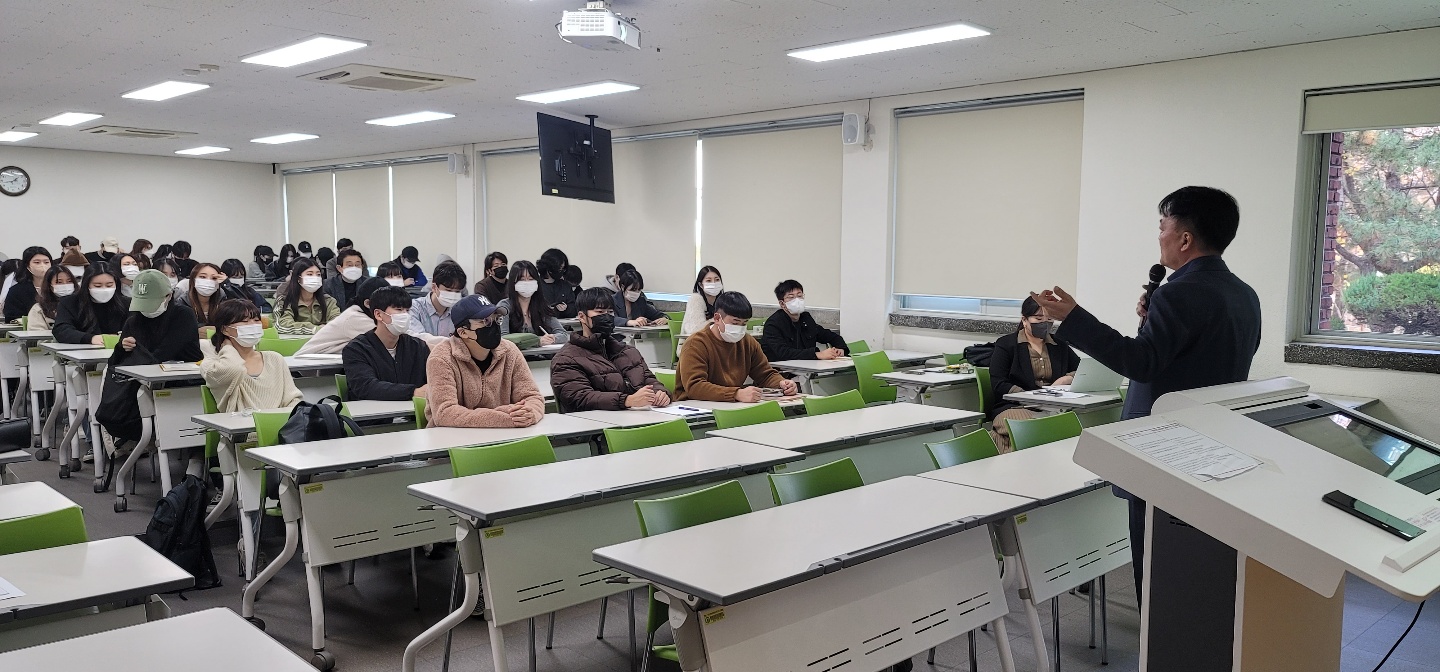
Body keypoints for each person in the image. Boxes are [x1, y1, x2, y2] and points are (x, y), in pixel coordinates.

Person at [1031, 185, 1262, 601]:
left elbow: (1141, 363)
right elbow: (1195, 359)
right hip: (1214, 447)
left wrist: (1074, 318)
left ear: (1184, 239)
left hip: (1163, 451)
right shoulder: (1243, 294)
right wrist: (1153, 322)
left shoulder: (1179, 292)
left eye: (1162, 227)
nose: (1159, 236)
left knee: (1158, 575)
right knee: (1196, 572)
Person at [424, 295, 544, 428]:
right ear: (463, 332)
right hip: (454, 437)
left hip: (504, 435)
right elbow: (444, 413)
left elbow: (532, 397)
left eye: (497, 319)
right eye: (486, 321)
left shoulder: (510, 351)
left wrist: (530, 413)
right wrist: (506, 417)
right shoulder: (442, 358)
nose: (494, 326)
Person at [551, 287, 670, 412]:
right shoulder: (566, 359)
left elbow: (649, 380)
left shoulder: (628, 352)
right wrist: (626, 401)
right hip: (598, 421)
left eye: (610, 312)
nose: (606, 317)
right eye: (600, 312)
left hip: (639, 417)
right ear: (581, 316)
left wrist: (660, 392)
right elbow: (580, 397)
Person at [987, 297, 1081, 451]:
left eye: (1049, 319)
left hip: (1053, 405)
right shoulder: (1006, 344)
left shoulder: (1059, 344)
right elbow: (998, 383)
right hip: (1015, 407)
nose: (1045, 323)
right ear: (1024, 320)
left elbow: (1080, 369)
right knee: (1035, 429)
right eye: (1038, 319)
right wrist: (1029, 397)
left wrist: (1066, 379)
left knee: (1076, 424)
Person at [675, 291, 797, 402]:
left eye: (744, 323)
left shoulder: (748, 342)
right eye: (735, 323)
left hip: (729, 404)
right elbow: (695, 386)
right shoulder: (696, 344)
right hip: (693, 406)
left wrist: (781, 383)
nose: (740, 328)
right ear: (717, 318)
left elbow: (765, 375)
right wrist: (736, 394)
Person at [201, 299, 303, 413]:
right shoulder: (212, 365)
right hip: (239, 423)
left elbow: (293, 399)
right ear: (225, 329)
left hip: (280, 422)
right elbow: (234, 369)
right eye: (245, 321)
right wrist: (227, 347)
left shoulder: (275, 359)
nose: (253, 325)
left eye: (256, 320)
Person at [342, 286, 431, 401]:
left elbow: (433, 380)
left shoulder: (418, 347)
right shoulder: (356, 349)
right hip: (373, 411)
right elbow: (366, 387)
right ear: (378, 314)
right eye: (399, 309)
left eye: (407, 310)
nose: (405, 315)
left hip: (413, 410)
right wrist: (413, 392)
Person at [120, 269, 204, 363]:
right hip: (144, 369)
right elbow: (118, 359)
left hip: (185, 369)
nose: (146, 309)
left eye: (151, 303)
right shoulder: (133, 320)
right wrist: (124, 346)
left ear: (168, 296)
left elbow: (165, 352)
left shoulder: (183, 316)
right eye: (142, 304)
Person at [296, 277, 390, 356]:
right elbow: (388, 338)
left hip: (326, 364)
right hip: (306, 366)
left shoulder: (361, 313)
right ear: (368, 303)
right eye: (388, 303)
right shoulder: (355, 318)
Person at [760, 279, 848, 362]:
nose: (797, 300)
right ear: (782, 304)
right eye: (791, 297)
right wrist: (816, 354)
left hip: (806, 367)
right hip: (780, 369)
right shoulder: (773, 324)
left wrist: (840, 348)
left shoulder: (805, 318)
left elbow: (828, 335)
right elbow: (783, 353)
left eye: (799, 296)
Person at [497, 261, 568, 345]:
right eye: (522, 279)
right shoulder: (504, 307)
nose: (527, 283)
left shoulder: (541, 305)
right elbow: (503, 339)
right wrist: (536, 341)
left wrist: (553, 338)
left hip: (541, 353)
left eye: (531, 279)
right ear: (513, 283)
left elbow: (563, 334)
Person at [53, 267, 128, 345]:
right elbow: (61, 330)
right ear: (87, 285)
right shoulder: (69, 302)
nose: (104, 289)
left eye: (109, 285)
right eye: (97, 286)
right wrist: (89, 338)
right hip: (81, 349)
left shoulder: (126, 303)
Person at [274, 258, 340, 335]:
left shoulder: (328, 300)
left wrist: (328, 328)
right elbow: (282, 325)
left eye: (318, 275)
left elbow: (338, 322)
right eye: (309, 274)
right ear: (298, 278)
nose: (315, 278)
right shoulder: (284, 301)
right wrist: (314, 329)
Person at [410, 261, 466, 343]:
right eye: (448, 290)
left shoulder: (460, 312)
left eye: (457, 291)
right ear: (434, 287)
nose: (453, 295)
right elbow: (418, 340)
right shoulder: (414, 308)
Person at [176, 262, 230, 336]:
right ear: (193, 280)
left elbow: (240, 310)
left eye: (214, 278)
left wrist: (227, 284)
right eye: (202, 277)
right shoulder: (182, 302)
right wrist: (195, 332)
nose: (208, 281)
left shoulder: (223, 299)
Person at [4, 246, 52, 322]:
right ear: (27, 265)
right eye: (37, 262)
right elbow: (11, 317)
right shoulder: (17, 291)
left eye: (46, 262)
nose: (43, 265)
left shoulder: (57, 287)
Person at [681, 266, 724, 337]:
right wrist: (718, 321)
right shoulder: (696, 299)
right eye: (708, 281)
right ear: (701, 285)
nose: (714, 283)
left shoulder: (723, 300)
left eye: (717, 280)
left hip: (715, 340)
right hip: (695, 341)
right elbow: (695, 329)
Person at [536, 248, 576, 318]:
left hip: (563, 323)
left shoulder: (565, 286)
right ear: (548, 268)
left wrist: (566, 308)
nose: (561, 271)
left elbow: (574, 308)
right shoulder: (536, 285)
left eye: (563, 268)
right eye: (559, 269)